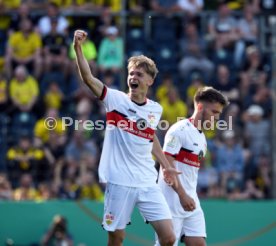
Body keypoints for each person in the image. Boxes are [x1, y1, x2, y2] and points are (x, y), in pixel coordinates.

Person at [73, 29, 180, 246]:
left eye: (139, 74)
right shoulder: (115, 99)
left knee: (169, 238)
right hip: (119, 182)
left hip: (147, 181)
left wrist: (166, 165)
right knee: (117, 238)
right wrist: (78, 48)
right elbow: (88, 78)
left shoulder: (155, 109)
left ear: (150, 81)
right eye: (131, 73)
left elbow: (150, 137)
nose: (133, 77)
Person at [156, 86, 229, 246]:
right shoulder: (179, 130)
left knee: (198, 244)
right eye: (214, 112)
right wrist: (182, 195)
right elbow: (166, 167)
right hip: (172, 200)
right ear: (201, 107)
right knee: (167, 243)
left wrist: (188, 196)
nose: (217, 118)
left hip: (190, 200)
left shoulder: (202, 137)